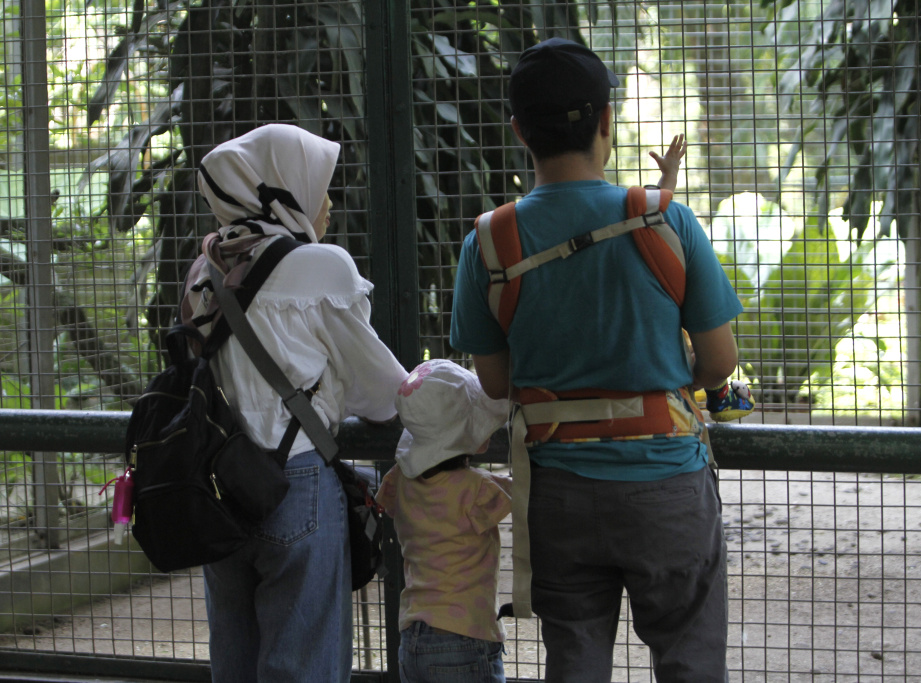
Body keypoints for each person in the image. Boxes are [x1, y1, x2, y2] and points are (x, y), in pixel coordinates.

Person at [450, 38, 743, 681]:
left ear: (519, 129)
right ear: (606, 120)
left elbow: (495, 384)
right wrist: (669, 386)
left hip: (558, 490)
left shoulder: (490, 241)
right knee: (690, 658)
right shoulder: (667, 220)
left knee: (575, 660)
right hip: (667, 482)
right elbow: (719, 363)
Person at [184, 123, 407, 682]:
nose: (326, 200)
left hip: (217, 484)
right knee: (304, 668)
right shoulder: (320, 264)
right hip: (296, 484)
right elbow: (382, 394)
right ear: (278, 189)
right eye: (317, 184)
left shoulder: (205, 268)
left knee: (234, 664)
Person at [375, 359, 512, 683]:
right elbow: (527, 490)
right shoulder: (477, 490)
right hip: (465, 639)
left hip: (411, 639)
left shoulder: (399, 482)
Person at [651, 135, 755, 423]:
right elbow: (653, 216)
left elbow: (654, 215)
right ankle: (718, 393)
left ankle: (717, 392)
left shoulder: (657, 221)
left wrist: (669, 174)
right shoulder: (674, 224)